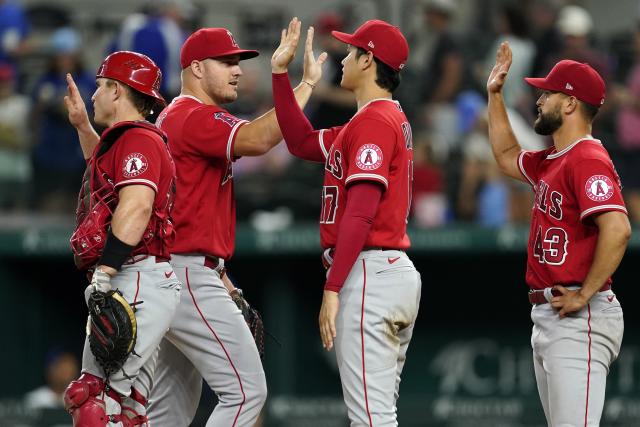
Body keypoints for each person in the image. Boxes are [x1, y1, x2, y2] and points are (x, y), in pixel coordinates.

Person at [146, 19, 324, 426]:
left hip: (181, 268)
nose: (238, 69)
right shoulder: (191, 116)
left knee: (170, 409)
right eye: (226, 62)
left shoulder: (179, 117)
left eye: (237, 62)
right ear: (196, 68)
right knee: (247, 393)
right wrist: (301, 86)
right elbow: (260, 139)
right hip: (186, 272)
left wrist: (221, 272)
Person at [271, 19, 422, 426]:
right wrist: (282, 76)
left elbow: (361, 210)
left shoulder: (374, 122)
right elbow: (301, 141)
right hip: (384, 271)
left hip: (370, 271)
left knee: (370, 419)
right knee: (378, 415)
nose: (343, 57)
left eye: (352, 51)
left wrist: (333, 287)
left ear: (369, 60)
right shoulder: (373, 120)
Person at [487, 42, 629, 426]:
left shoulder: (586, 157)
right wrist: (494, 95)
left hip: (581, 314)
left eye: (548, 93)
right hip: (553, 314)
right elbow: (505, 156)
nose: (539, 99)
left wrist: (585, 292)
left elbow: (617, 228)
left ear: (569, 104)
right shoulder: (555, 159)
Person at [62, 50, 181, 426]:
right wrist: (83, 127)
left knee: (95, 402)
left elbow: (137, 206)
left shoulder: (139, 140)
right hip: (141, 276)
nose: (93, 96)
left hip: (136, 276)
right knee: (128, 411)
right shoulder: (127, 141)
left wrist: (106, 272)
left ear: (117, 90)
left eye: (100, 87)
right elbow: (109, 174)